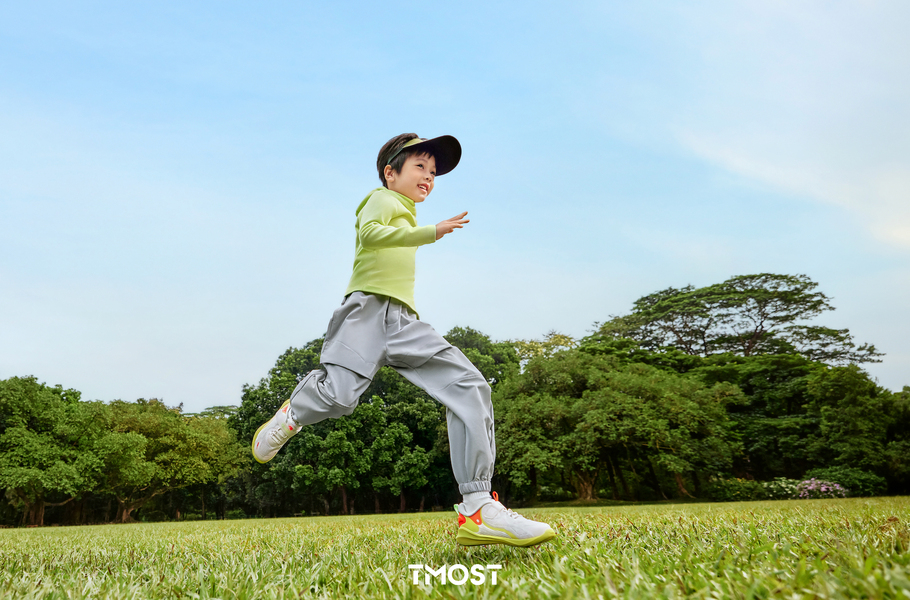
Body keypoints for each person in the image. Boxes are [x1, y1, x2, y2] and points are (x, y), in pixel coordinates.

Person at [251, 133, 555, 547]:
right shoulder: (381, 198)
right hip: (367, 311)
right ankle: (294, 412)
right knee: (340, 397)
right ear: (390, 173)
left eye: (434, 171)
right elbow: (372, 234)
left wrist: (422, 228)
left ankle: (478, 507)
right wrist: (431, 231)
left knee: (469, 385)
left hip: (404, 322)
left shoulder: (408, 212)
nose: (429, 176)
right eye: (420, 166)